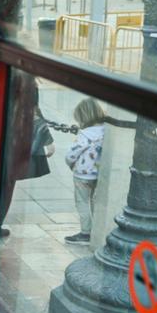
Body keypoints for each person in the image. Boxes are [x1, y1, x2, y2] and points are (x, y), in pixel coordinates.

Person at [64, 98, 106, 244]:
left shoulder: (85, 134)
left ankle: (85, 233)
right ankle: (96, 230)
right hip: (98, 174)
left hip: (82, 175)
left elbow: (72, 154)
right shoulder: (106, 131)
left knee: (82, 202)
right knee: (95, 201)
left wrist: (69, 163)